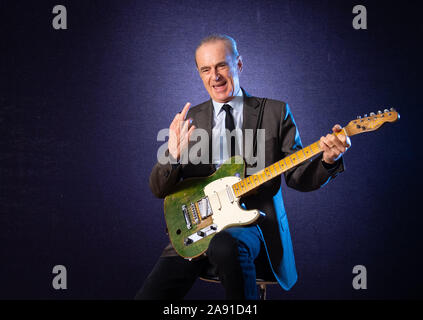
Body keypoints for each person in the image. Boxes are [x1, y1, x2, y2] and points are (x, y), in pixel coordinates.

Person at [136, 34, 350, 300]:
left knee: (225, 245)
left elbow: (298, 177)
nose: (215, 76)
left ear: (238, 64)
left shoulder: (275, 112)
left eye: (221, 66)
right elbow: (158, 188)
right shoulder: (190, 120)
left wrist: (328, 159)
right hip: (197, 226)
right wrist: (173, 155)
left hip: (253, 225)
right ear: (200, 74)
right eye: (206, 69)